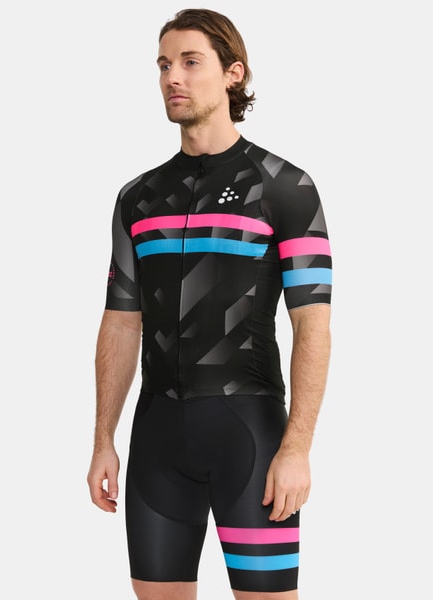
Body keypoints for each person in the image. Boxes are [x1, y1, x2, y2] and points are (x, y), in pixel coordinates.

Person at [87, 8, 332, 600]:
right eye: (163, 64)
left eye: (191, 62)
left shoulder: (285, 187)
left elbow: (313, 327)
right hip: (156, 442)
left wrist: (297, 448)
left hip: (249, 437)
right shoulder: (137, 198)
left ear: (232, 73)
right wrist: (102, 440)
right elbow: (120, 323)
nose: (173, 76)